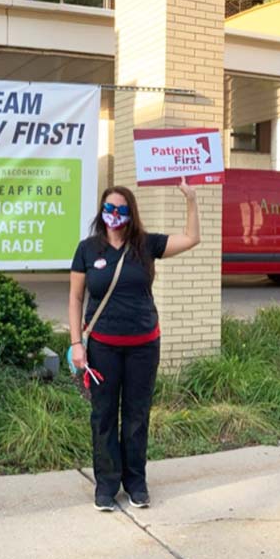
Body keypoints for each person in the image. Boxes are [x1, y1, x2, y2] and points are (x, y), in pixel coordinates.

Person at [69, 179, 200, 512]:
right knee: (103, 416)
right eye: (109, 208)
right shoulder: (88, 249)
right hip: (102, 348)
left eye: (121, 210)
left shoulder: (146, 244)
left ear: (131, 214)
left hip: (144, 346)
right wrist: (75, 343)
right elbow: (75, 297)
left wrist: (191, 200)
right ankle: (106, 486)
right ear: (102, 212)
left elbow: (191, 239)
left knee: (137, 415)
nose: (115, 214)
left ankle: (136, 483)